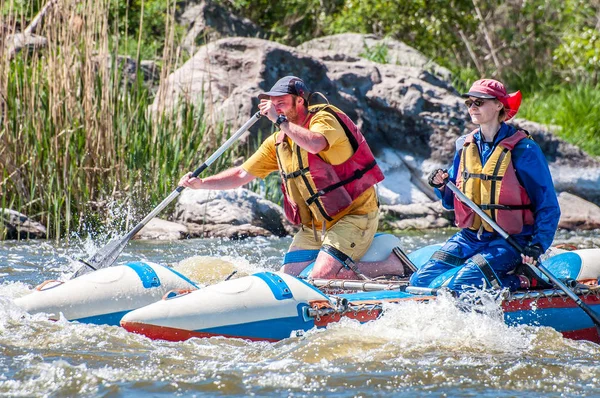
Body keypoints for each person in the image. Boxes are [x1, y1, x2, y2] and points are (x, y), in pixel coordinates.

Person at [179, 76, 403, 280]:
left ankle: (392, 266)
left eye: (281, 103)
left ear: (300, 101)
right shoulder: (278, 142)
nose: (275, 108)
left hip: (355, 217)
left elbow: (315, 144)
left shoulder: (324, 119)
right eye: (272, 104)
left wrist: (279, 120)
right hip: (316, 226)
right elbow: (241, 174)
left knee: (322, 278)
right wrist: (201, 184)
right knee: (288, 280)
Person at [409, 78, 561, 292]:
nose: (472, 107)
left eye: (478, 102)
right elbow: (453, 200)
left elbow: (548, 205)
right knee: (419, 281)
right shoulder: (465, 146)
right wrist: (441, 185)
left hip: (512, 240)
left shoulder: (525, 150)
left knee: (462, 284)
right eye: (469, 103)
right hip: (471, 236)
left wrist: (537, 245)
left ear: (499, 105)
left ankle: (526, 279)